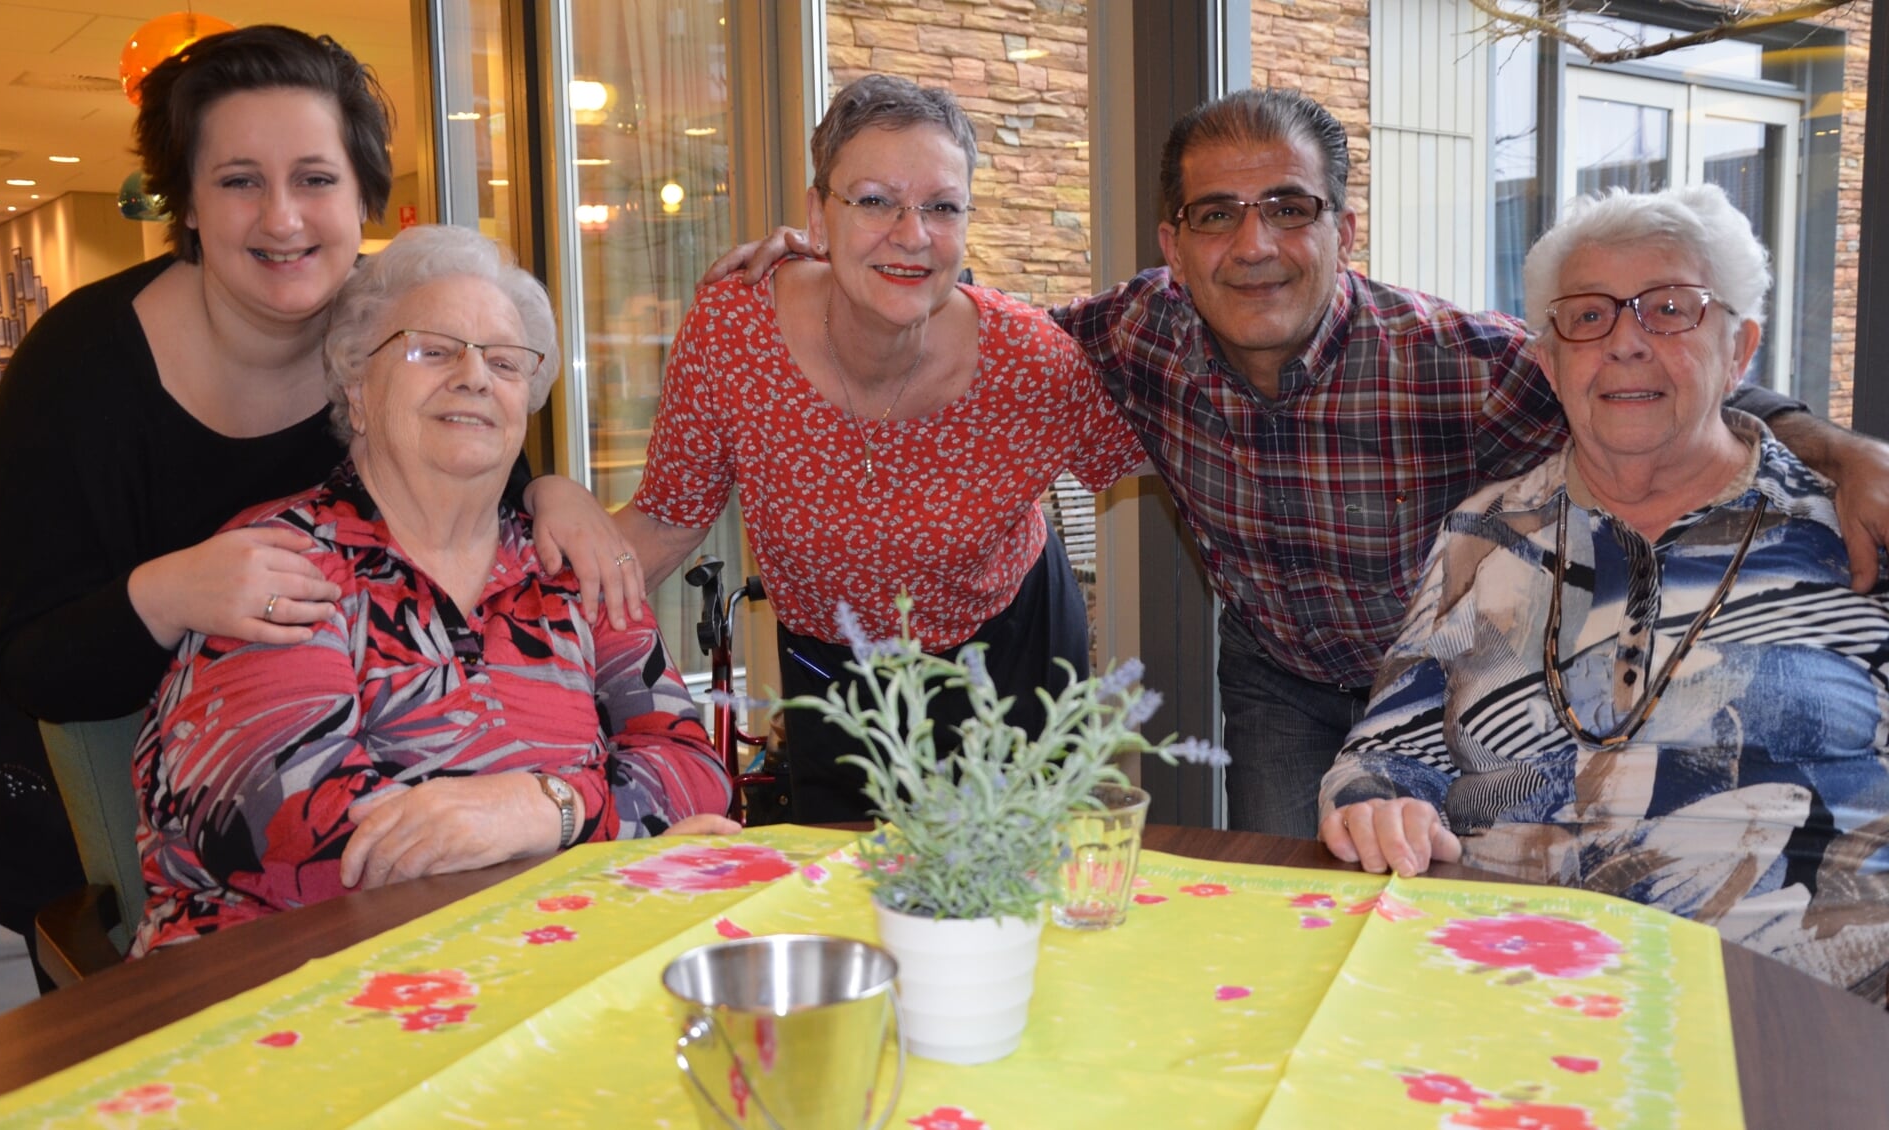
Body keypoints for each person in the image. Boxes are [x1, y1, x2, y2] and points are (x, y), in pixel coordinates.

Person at [708, 84, 1889, 838]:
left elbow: (1638, 379)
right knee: (1297, 902)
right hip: (1277, 680)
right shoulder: (1128, 334)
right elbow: (956, 324)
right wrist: (826, 264)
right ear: (1172, 242)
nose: (1254, 243)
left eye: (1289, 206)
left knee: (1443, 903)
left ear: (1343, 228)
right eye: (1216, 215)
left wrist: (1835, 447)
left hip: (1442, 689)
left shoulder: (1456, 359)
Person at [0, 26, 641, 984]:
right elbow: (30, 663)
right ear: (188, 205)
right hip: (128, 812)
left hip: (433, 866)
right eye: (240, 180)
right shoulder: (76, 376)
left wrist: (550, 488)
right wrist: (166, 591)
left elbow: (476, 469)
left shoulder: (397, 339)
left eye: (316, 179)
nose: (283, 217)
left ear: (364, 195)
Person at [1318, 185, 1889, 1002]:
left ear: (1740, 349)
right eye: (1587, 317)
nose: (1625, 342)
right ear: (1549, 363)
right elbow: (1382, 755)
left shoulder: (1851, 526)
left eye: (1668, 310)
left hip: (1792, 1026)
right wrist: (1376, 804)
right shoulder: (1485, 533)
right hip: (1501, 993)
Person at [131, 225, 735, 954]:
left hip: (541, 963)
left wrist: (546, 810)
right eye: (433, 350)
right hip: (281, 991)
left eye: (505, 363)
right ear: (357, 388)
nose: (475, 377)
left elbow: (696, 773)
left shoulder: (572, 567)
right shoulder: (280, 561)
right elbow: (302, 840)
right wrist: (616, 840)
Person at [615, 75, 1145, 822]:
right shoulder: (735, 331)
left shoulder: (1028, 362)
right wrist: (509, 600)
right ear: (816, 216)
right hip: (833, 665)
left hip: (1010, 652)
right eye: (872, 200)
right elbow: (667, 520)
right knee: (846, 888)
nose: (912, 232)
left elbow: (1163, 449)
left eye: (941, 206)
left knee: (1016, 896)